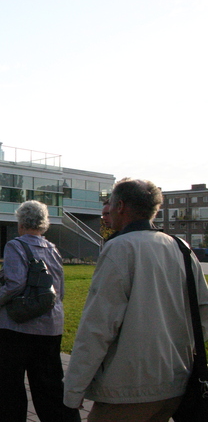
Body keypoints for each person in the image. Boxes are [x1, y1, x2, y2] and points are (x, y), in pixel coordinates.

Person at [63, 178, 208, 422]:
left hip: (129, 389)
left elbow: (98, 326)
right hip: (177, 384)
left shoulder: (119, 248)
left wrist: (74, 388)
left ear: (120, 206)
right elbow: (202, 315)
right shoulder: (181, 247)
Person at [0, 200, 80, 422]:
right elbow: (59, 290)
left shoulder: (15, 246)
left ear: (21, 223)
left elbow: (15, 283)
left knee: (8, 387)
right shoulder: (52, 249)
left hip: (16, 327)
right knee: (50, 388)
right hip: (50, 327)